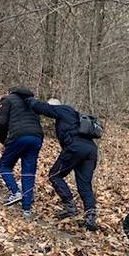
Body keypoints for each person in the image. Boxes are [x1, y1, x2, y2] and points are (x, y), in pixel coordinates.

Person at [27, 98, 98, 231]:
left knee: (55, 174)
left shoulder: (63, 109)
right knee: (84, 184)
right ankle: (90, 216)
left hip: (76, 148)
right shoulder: (75, 116)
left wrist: (29, 101)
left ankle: (70, 207)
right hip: (91, 150)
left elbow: (43, 108)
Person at [0, 87, 44, 219]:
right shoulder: (31, 102)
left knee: (3, 166)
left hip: (19, 136)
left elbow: (2, 121)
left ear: (11, 92)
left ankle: (15, 192)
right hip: (37, 138)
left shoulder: (8, 100)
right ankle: (27, 210)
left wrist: (3, 140)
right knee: (28, 173)